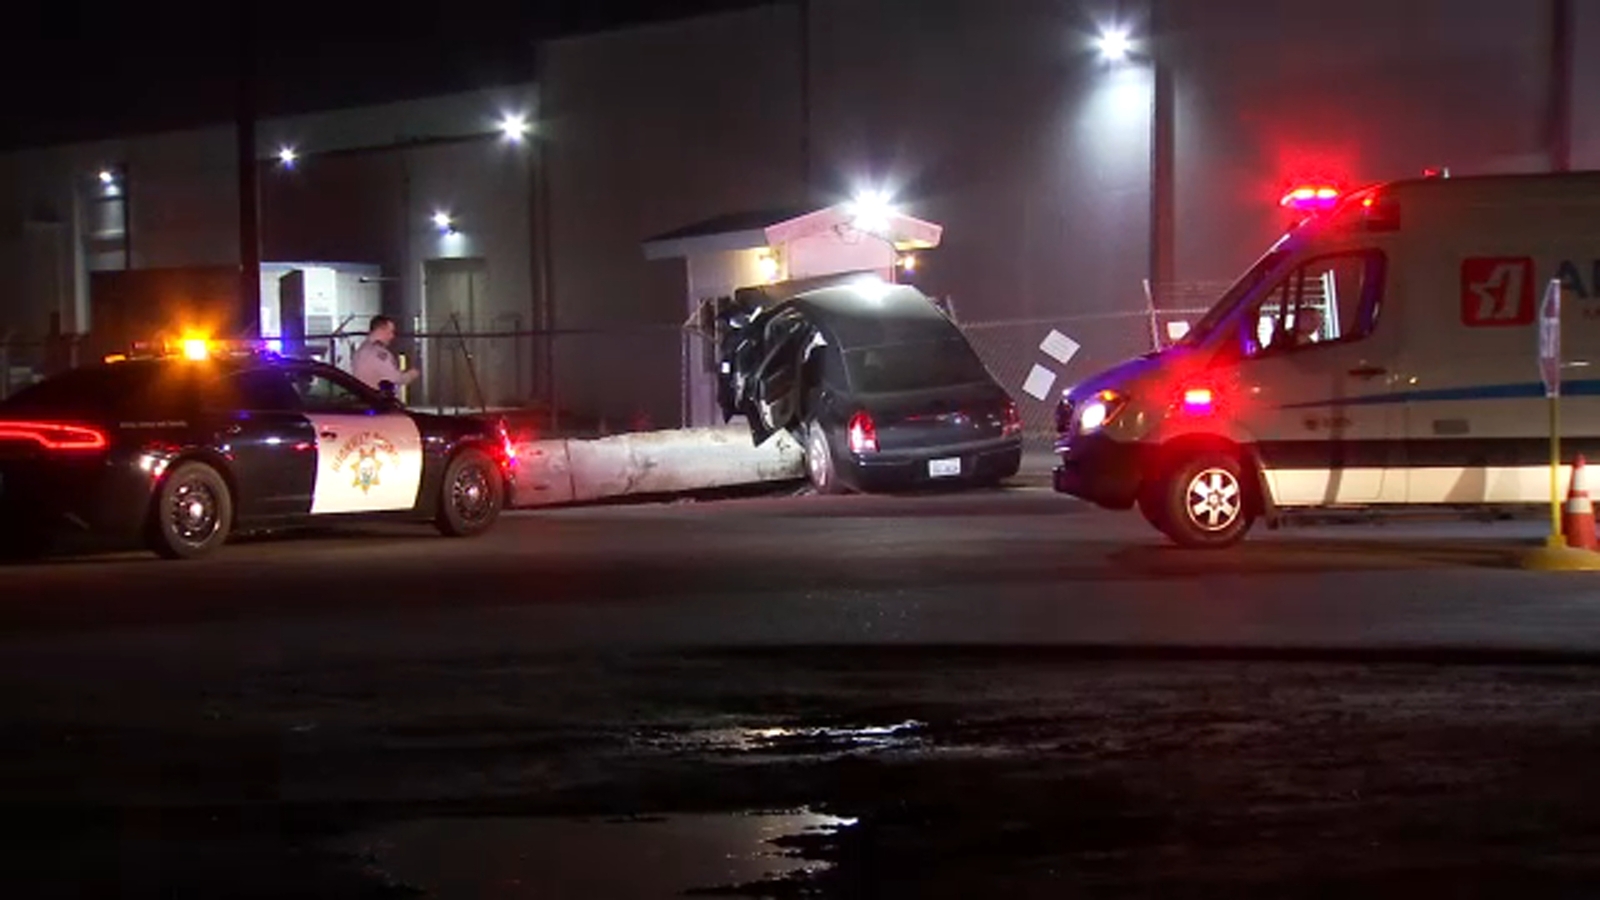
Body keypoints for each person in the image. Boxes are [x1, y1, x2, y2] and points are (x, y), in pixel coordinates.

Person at [351, 315, 420, 392]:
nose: (392, 336)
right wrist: (412, 374)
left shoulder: (360, 351)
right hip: (376, 400)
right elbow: (395, 378)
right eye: (390, 332)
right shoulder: (379, 353)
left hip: (364, 399)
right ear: (380, 330)